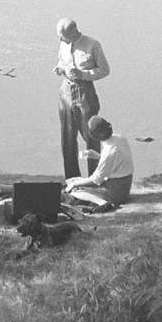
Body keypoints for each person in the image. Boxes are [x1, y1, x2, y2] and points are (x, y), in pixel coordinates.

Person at [55, 18, 110, 179]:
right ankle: (72, 179)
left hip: (85, 90)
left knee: (91, 134)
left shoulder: (93, 44)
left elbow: (105, 70)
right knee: (67, 136)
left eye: (63, 37)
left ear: (74, 32)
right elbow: (61, 60)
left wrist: (83, 74)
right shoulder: (63, 42)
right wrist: (59, 68)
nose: (61, 40)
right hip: (65, 90)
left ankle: (95, 178)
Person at [65, 116, 134, 209]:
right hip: (125, 185)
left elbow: (96, 180)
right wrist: (97, 156)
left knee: (75, 190)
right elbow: (115, 161)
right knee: (76, 180)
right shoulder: (120, 139)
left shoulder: (108, 152)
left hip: (116, 193)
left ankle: (102, 203)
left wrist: (74, 184)